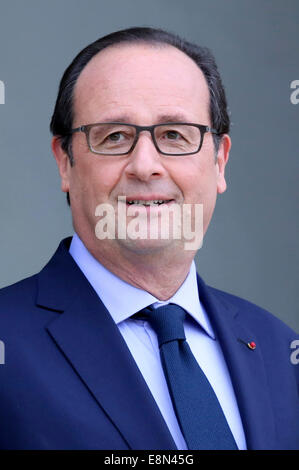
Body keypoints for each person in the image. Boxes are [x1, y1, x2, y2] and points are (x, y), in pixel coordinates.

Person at [0, 27, 298, 451]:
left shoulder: (280, 349)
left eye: (175, 135)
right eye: (114, 136)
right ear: (65, 162)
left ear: (219, 162)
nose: (145, 165)